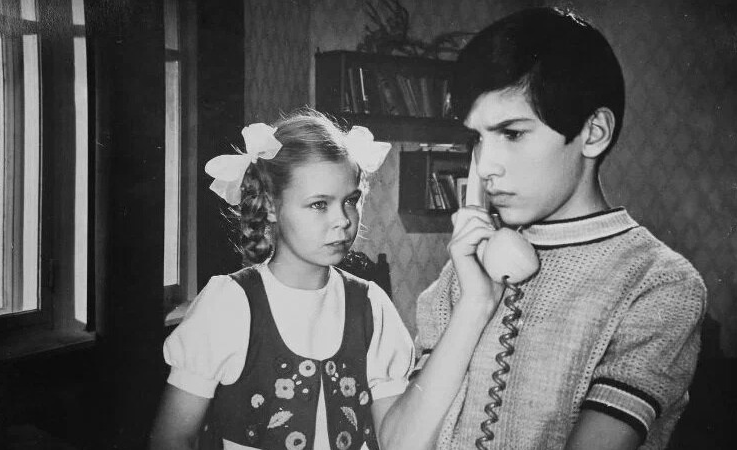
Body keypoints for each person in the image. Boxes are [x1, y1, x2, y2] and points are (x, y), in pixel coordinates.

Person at [384, 7, 706, 450]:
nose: (486, 165)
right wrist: (475, 305)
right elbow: (400, 444)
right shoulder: (467, 269)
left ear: (593, 132)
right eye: (477, 138)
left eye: (512, 133)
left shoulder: (661, 284)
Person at [149, 110, 415, 450]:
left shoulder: (371, 305)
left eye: (351, 201)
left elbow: (398, 439)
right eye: (319, 204)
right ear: (271, 206)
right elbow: (171, 439)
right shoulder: (229, 303)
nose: (343, 220)